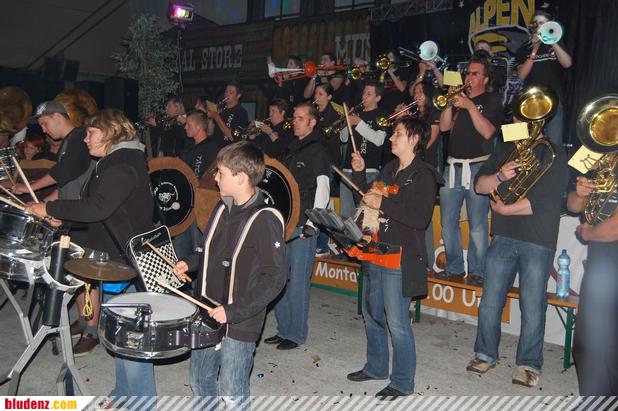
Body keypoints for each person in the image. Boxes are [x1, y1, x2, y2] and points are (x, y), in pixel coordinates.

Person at [26, 108, 157, 405]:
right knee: (119, 333)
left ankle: (141, 402)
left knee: (130, 337)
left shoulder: (123, 163)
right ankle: (123, 394)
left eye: (91, 133)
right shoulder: (113, 161)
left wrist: (50, 208)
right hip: (115, 258)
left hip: (127, 260)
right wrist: (65, 219)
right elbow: (103, 212)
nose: (85, 139)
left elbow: (99, 207)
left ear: (110, 131)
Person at [172, 141, 287, 406]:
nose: (215, 177)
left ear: (241, 177)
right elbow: (209, 251)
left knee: (232, 391)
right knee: (200, 381)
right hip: (207, 311)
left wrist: (234, 311)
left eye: (221, 172)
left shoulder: (265, 219)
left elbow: (275, 278)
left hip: (240, 320)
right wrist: (188, 263)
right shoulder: (222, 207)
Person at [346, 116, 442, 398]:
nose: (391, 138)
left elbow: (420, 218)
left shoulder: (424, 175)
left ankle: (402, 381)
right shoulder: (389, 169)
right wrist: (359, 175)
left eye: (398, 133)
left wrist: (383, 203)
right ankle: (376, 367)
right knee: (372, 314)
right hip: (376, 251)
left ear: (414, 138)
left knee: (397, 322)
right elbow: (368, 202)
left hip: (400, 258)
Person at [468, 121, 568, 387]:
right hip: (503, 236)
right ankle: (485, 354)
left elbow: (547, 202)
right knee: (490, 302)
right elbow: (480, 186)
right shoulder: (505, 149)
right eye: (516, 117)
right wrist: (500, 177)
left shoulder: (554, 153)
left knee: (532, 305)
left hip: (538, 239)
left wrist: (505, 210)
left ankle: (528, 364)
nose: (517, 122)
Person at [14, 100, 96, 354]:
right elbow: (64, 187)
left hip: (83, 215)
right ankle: (83, 320)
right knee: (74, 272)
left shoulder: (79, 137)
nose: (44, 130)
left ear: (58, 116)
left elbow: (64, 172)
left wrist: (28, 187)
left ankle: (92, 330)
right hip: (69, 214)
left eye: (45, 123)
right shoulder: (70, 142)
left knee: (86, 274)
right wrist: (43, 205)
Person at [264, 102, 330, 350]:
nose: (295, 121)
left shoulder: (318, 150)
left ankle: (296, 334)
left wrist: (314, 223)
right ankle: (283, 329)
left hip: (304, 225)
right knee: (278, 279)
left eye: (301, 118)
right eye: (294, 117)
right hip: (284, 223)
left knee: (298, 283)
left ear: (312, 122)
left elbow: (323, 188)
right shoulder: (291, 148)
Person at [437, 57, 504, 284]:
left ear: (485, 79)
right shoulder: (459, 100)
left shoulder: (492, 100)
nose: (469, 77)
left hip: (478, 167)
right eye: (468, 73)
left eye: (475, 73)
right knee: (447, 223)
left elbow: (488, 132)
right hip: (452, 167)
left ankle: (478, 271)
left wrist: (470, 106)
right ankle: (454, 267)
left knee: (477, 224)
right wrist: (449, 102)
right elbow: (444, 127)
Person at [567, 173, 618, 394]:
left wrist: (588, 233)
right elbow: (573, 205)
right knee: (587, 342)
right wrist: (580, 194)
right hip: (600, 264)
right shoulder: (602, 162)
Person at [515, 10, 572, 147]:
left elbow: (567, 63)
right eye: (536, 23)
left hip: (554, 101)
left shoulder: (556, 43)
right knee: (528, 144)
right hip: (531, 102)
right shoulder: (525, 48)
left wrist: (551, 40)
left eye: (542, 23)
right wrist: (534, 49)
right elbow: (521, 75)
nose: (539, 26)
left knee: (554, 144)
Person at [174, 110, 221, 260]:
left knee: (198, 248)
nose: (185, 127)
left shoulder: (212, 148)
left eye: (188, 124)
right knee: (180, 249)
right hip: (184, 205)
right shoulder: (188, 148)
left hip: (201, 206)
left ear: (199, 126)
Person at [338, 81, 387, 220]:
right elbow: (343, 138)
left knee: (365, 216)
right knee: (345, 216)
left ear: (378, 98)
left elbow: (379, 140)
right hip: (348, 169)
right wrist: (346, 121)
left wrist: (359, 122)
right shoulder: (357, 113)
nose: (364, 96)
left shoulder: (382, 115)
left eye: (369, 94)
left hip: (369, 171)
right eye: (364, 93)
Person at [207, 81, 249, 147]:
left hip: (229, 150)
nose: (227, 94)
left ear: (238, 96)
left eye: (231, 92)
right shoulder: (221, 109)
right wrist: (210, 117)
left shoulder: (241, 112)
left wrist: (216, 117)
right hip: (215, 148)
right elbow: (210, 133)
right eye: (226, 91)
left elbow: (235, 137)